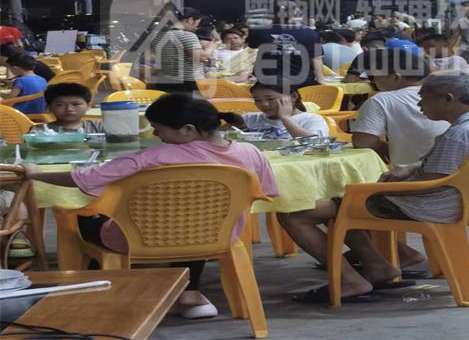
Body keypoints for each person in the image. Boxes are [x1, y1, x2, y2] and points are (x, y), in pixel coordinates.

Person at [23, 94, 278, 319]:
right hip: (217, 236)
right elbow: (267, 192)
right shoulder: (250, 152)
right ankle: (190, 293)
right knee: (193, 221)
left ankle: (99, 290)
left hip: (137, 239)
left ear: (188, 130)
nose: (156, 135)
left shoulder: (152, 157)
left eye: (158, 129)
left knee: (81, 217)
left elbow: (85, 178)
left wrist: (36, 174)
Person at [279, 74, 469, 303]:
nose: (420, 106)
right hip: (467, 199)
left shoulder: (459, 135)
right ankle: (378, 266)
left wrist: (379, 189)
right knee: (344, 203)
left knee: (295, 215)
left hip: (432, 204)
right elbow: (452, 167)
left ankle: (350, 280)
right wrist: (411, 167)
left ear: (448, 99)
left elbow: (431, 182)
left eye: (423, 99)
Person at [350, 49, 469, 166]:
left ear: (396, 77)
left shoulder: (382, 101)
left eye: (375, 76)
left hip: (427, 188)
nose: (372, 81)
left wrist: (389, 149)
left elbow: (364, 141)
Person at [149, 7, 218, 94]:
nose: (196, 27)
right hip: (186, 83)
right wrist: (211, 47)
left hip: (162, 81)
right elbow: (202, 57)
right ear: (190, 20)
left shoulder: (157, 35)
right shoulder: (187, 35)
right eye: (197, 23)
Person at [247, 10, 323, 88]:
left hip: (268, 83)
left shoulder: (258, 31)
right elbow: (317, 58)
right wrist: (320, 79)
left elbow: (251, 49)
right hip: (302, 83)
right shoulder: (310, 33)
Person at [244, 79, 330, 139]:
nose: (264, 104)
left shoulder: (311, 119)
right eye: (257, 100)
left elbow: (315, 144)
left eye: (270, 99)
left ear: (293, 97)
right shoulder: (248, 119)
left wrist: (285, 118)